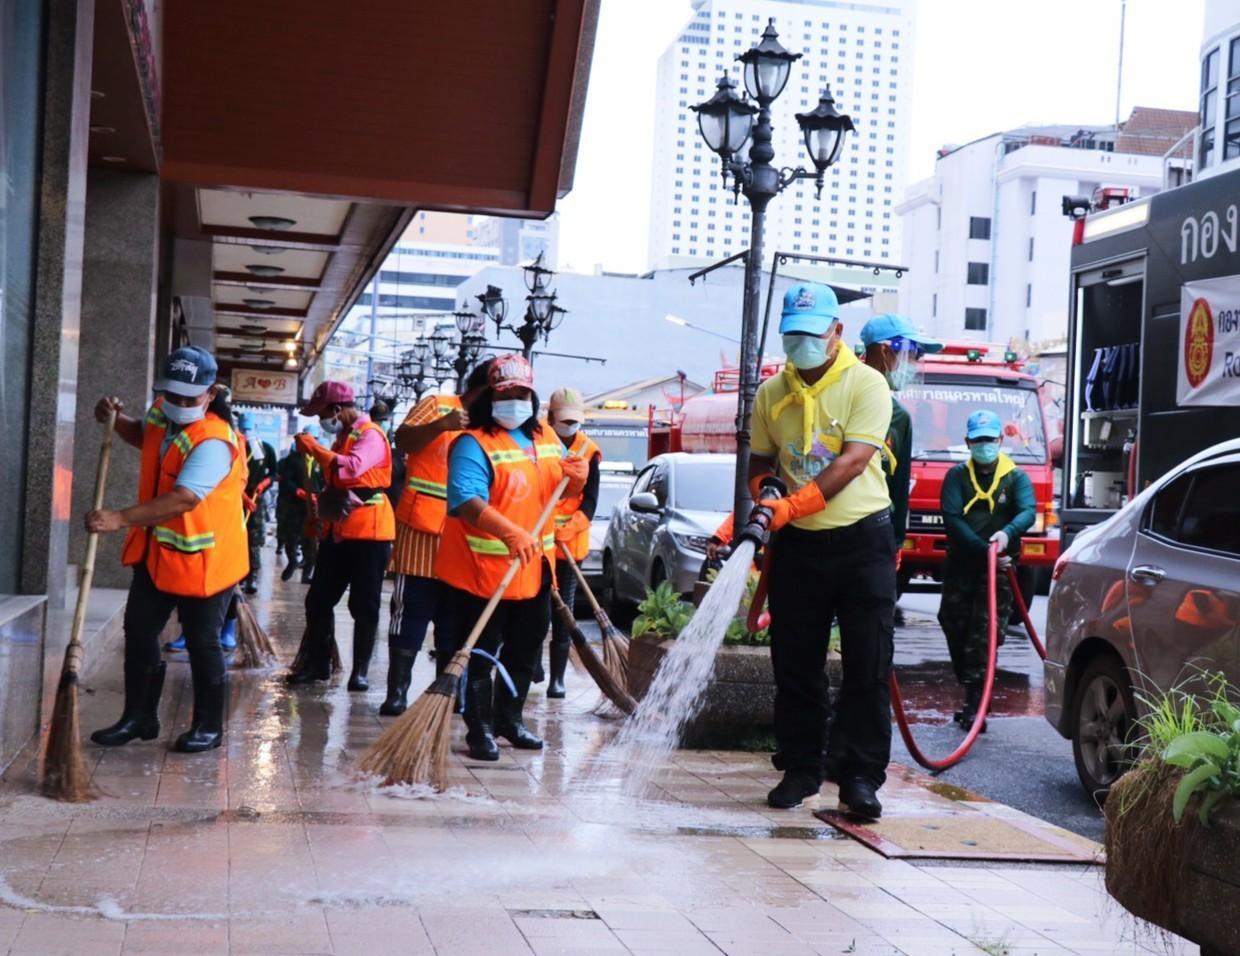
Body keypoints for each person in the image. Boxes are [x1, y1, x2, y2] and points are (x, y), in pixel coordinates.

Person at [748, 282, 896, 819]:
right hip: (798, 549)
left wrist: (792, 504)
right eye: (792, 335)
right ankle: (801, 768)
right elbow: (760, 460)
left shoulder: (867, 384)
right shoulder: (770, 394)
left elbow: (853, 461)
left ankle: (859, 778)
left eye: (812, 334)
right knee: (795, 663)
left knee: (867, 664)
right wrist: (765, 491)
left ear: (837, 332)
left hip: (862, 541)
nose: (801, 344)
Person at [87, 347, 248, 753]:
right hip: (159, 553)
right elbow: (145, 437)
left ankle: (209, 727)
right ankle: (138, 717)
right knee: (139, 630)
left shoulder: (214, 440)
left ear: (211, 393)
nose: (178, 403)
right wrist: (115, 421)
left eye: (189, 398)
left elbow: (183, 499)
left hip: (207, 559)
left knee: (202, 641)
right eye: (172, 394)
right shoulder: (162, 413)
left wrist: (120, 518)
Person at [435, 355, 587, 760]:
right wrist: (509, 532)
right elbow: (466, 500)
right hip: (483, 571)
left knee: (526, 647)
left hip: (535, 569)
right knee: (481, 652)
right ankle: (480, 728)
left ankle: (510, 720)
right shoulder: (473, 443)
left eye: (522, 394)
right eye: (506, 394)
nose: (515, 401)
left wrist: (577, 481)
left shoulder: (546, 438)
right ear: (490, 398)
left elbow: (558, 491)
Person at [382, 363, 490, 716]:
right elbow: (402, 440)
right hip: (421, 532)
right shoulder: (438, 405)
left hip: (467, 536)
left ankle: (450, 693)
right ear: (478, 390)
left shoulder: (495, 427)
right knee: (410, 612)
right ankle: (398, 692)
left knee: (455, 619)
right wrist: (440, 425)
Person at [286, 382, 395, 689]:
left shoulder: (371, 434)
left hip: (370, 532)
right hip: (338, 529)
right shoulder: (342, 437)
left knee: (364, 605)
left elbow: (351, 470)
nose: (321, 420)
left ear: (337, 409)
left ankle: (359, 671)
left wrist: (314, 448)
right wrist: (319, 518)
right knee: (318, 600)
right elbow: (335, 483)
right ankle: (318, 664)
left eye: (322, 414)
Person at [938, 409, 1035, 731]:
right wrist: (984, 551)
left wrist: (1007, 533)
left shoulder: (1015, 477)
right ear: (968, 442)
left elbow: (1028, 511)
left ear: (1000, 440)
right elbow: (952, 520)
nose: (984, 445)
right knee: (953, 624)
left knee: (983, 634)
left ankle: (975, 702)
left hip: (999, 572)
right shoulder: (957, 477)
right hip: (961, 567)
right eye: (978, 440)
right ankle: (974, 692)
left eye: (990, 440)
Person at [859, 314, 943, 624]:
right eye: (912, 353)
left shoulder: (899, 418)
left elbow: (898, 487)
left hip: (875, 537)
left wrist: (895, 543)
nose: (914, 363)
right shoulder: (844, 399)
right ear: (885, 351)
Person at [547, 387, 602, 698]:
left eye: (574, 420)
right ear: (551, 417)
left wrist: (571, 527)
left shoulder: (588, 451)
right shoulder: (539, 443)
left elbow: (591, 500)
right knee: (535, 608)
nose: (569, 425)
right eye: (564, 419)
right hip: (538, 540)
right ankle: (532, 662)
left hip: (570, 544)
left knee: (564, 612)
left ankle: (557, 679)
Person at [276, 424, 325, 582]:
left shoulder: (321, 459)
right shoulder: (293, 459)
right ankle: (292, 561)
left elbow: (326, 481)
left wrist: (320, 496)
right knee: (291, 536)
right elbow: (285, 480)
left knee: (311, 540)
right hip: (295, 504)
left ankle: (307, 573)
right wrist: (298, 491)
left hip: (314, 507)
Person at [237, 411, 277, 595]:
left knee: (253, 538)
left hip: (256, 501)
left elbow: (274, 473)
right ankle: (236, 575)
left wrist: (264, 483)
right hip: (234, 499)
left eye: (249, 429)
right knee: (235, 537)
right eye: (243, 429)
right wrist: (242, 497)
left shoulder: (266, 449)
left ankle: (251, 576)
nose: (246, 434)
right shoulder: (233, 447)